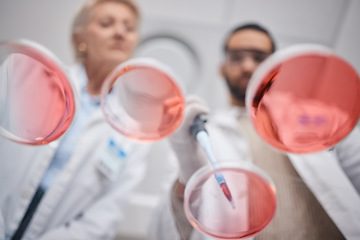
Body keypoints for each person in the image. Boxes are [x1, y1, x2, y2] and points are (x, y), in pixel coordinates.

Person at [149, 23, 360, 240]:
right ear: (222, 69)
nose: (248, 66)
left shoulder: (315, 118)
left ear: (275, 68)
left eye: (259, 58)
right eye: (237, 58)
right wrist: (188, 171)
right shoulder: (199, 135)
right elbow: (165, 229)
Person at [0, 0, 151, 239]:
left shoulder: (133, 128)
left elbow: (106, 213)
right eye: (106, 23)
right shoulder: (34, 83)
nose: (120, 33)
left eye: (129, 28)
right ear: (78, 38)